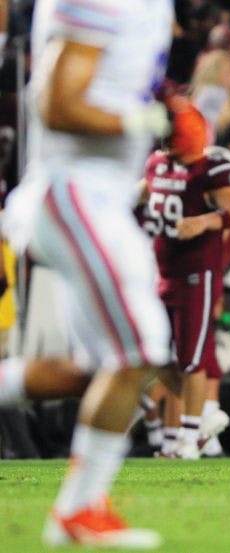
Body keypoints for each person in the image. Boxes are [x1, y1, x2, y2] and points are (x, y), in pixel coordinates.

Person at [0, 0, 174, 547]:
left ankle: (79, 510)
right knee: (142, 348)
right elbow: (55, 103)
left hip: (105, 195)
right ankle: (77, 512)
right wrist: (152, 121)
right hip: (73, 189)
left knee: (96, 370)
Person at [143, 101, 230, 460]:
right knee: (156, 356)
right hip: (162, 273)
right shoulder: (157, 163)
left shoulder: (210, 168)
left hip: (196, 274)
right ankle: (202, 415)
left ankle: (189, 438)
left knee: (192, 361)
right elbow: (143, 194)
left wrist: (203, 222)